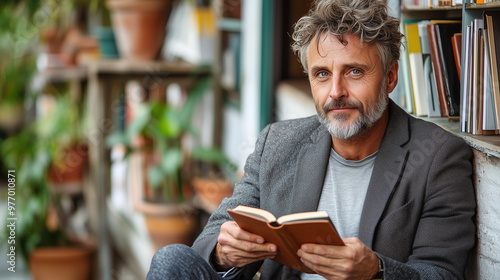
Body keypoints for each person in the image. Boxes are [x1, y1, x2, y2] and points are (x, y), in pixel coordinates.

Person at [147, 0, 476, 279]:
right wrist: (225, 251)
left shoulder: (438, 157)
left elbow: (441, 272)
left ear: (390, 78)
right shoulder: (278, 142)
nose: (336, 92)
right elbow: (217, 231)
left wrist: (377, 270)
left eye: (354, 72)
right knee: (171, 259)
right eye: (322, 74)